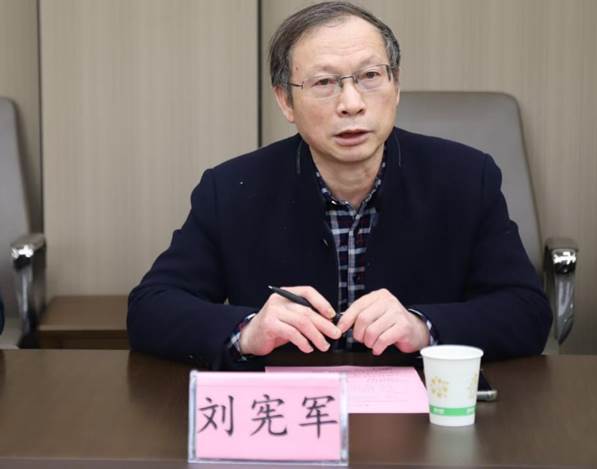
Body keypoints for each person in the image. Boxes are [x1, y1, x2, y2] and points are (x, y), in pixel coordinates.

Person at [127, 1, 551, 369]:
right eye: (324, 83)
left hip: (421, 412)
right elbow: (151, 307)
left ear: (395, 86)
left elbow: (527, 312)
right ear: (285, 101)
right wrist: (248, 330)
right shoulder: (232, 190)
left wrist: (422, 327)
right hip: (292, 413)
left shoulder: (465, 178)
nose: (351, 103)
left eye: (370, 76)